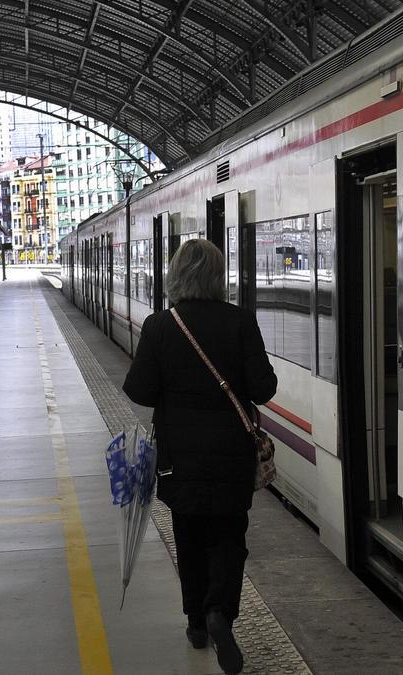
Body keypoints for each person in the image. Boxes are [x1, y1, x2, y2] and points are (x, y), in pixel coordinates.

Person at [122, 239, 277, 675]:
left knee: (188, 536)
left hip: (178, 459)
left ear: (175, 276)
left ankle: (196, 623)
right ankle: (220, 613)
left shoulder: (160, 326)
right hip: (231, 456)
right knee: (229, 537)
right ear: (217, 275)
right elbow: (264, 388)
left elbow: (138, 390)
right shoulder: (240, 322)